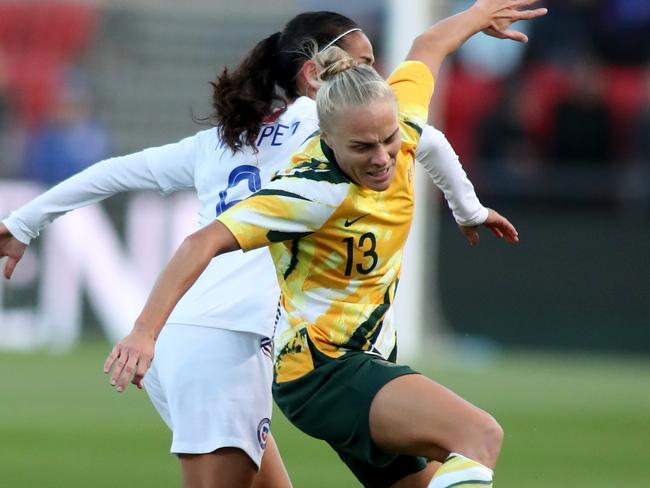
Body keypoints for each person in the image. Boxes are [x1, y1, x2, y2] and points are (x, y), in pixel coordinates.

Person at [0, 7, 527, 488]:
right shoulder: (327, 136)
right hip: (230, 338)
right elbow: (417, 108)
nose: (373, 75)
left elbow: (115, 172)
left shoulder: (227, 138)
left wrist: (25, 220)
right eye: (363, 63)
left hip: (205, 334)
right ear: (316, 75)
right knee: (477, 438)